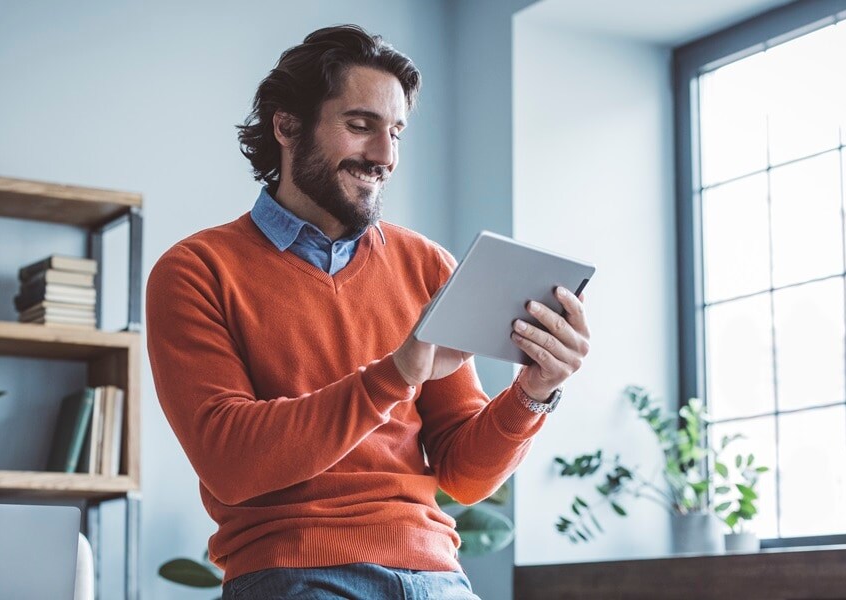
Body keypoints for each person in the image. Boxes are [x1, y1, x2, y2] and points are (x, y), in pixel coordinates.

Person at [146, 24, 590, 600]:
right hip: (294, 569)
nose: (384, 155)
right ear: (287, 126)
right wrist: (395, 375)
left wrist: (534, 392)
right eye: (360, 126)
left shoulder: (426, 264)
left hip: (435, 572)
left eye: (396, 132)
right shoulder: (196, 270)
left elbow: (463, 472)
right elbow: (231, 461)